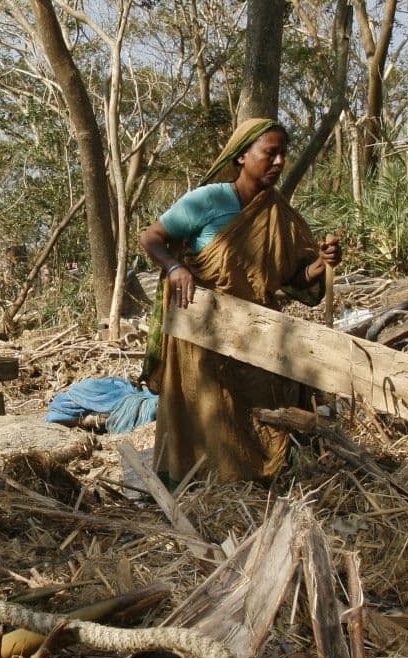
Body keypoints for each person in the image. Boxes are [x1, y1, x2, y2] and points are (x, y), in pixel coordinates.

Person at [139, 118, 342, 485]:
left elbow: (294, 279)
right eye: (270, 153)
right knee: (213, 417)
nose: (279, 162)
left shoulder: (278, 213)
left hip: (258, 331)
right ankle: (211, 487)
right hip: (204, 330)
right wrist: (175, 268)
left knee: (266, 409)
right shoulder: (208, 200)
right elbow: (151, 237)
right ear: (241, 157)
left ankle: (263, 483)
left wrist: (320, 265)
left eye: (283, 154)